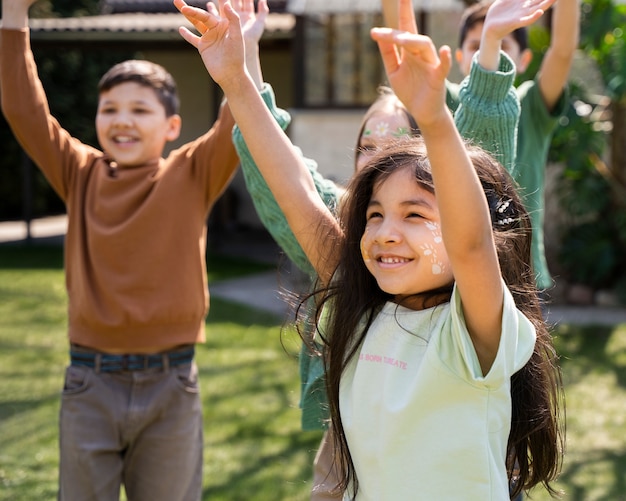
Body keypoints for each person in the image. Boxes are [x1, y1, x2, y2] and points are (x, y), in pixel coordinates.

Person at [177, 0, 565, 499]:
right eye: (375, 214)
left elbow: (469, 245)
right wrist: (236, 80)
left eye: (415, 215)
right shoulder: (362, 311)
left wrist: (433, 118)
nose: (384, 232)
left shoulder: (474, 331)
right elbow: (294, 186)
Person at [0, 0, 258, 499]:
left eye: (140, 110)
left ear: (171, 127)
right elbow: (23, 110)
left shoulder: (192, 172)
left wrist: (243, 46)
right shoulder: (79, 172)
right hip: (90, 384)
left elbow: (240, 118)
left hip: (172, 386)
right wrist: (13, 15)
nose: (123, 121)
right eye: (110, 109)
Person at [449, 0, 580, 293]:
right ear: (460, 57)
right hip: (453, 263)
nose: (488, 50)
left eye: (501, 44)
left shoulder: (531, 104)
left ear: (523, 59)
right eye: (476, 45)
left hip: (520, 268)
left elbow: (562, 51)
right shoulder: (446, 101)